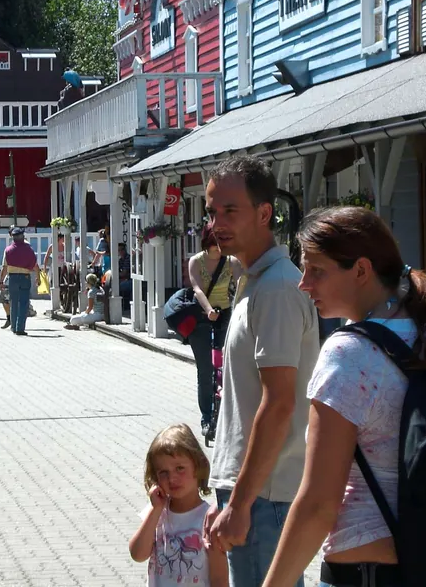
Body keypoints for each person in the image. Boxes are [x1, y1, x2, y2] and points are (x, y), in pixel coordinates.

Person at [262, 206, 426, 587]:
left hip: (369, 573)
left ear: (362, 270)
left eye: (316, 270)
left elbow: (319, 505)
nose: (304, 283)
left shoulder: (347, 353)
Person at [201, 157, 318, 587]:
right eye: (213, 212)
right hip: (252, 491)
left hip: (265, 496)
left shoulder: (277, 289)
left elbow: (280, 403)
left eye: (231, 210)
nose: (217, 223)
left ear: (265, 213)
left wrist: (241, 502)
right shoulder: (256, 281)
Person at [129, 424, 228, 587]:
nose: (172, 478)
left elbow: (220, 578)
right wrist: (156, 510)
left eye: (180, 468)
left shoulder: (209, 519)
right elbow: (138, 554)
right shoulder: (157, 511)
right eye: (163, 472)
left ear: (198, 466)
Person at [188, 224, 240, 437]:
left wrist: (239, 311)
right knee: (205, 370)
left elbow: (240, 285)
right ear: (207, 243)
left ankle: (227, 417)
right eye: (215, 245)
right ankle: (206, 418)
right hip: (202, 317)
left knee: (226, 367)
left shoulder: (231, 261)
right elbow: (197, 288)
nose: (219, 249)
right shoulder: (196, 261)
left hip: (225, 315)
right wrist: (209, 310)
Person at [0, 227, 39, 336]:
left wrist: (1, 280)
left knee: (14, 302)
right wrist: (38, 277)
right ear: (22, 237)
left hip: (12, 278)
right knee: (23, 303)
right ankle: (20, 328)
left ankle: (13, 327)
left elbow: (4, 267)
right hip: (25, 277)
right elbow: (35, 265)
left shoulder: (8, 250)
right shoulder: (28, 249)